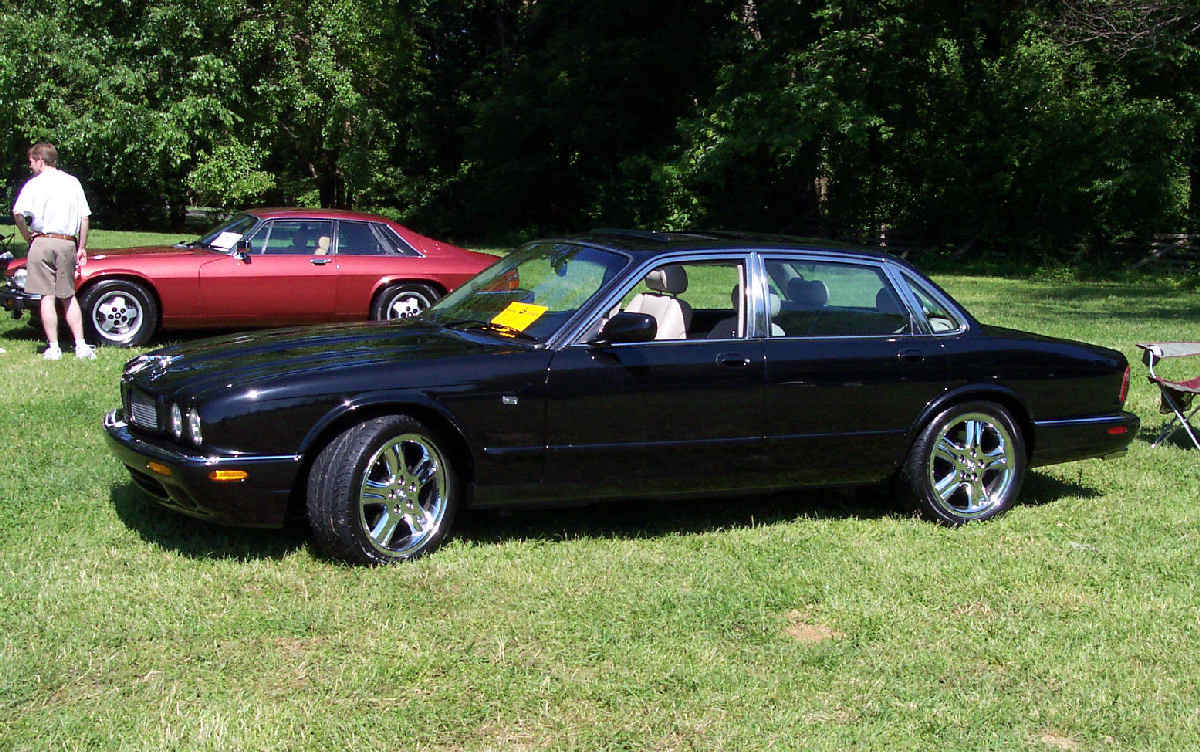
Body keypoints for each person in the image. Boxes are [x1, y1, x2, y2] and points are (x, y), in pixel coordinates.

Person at [11, 142, 95, 360]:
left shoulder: (34, 185)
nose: (30, 166)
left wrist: (26, 236)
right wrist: (82, 247)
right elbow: (84, 217)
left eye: (31, 161)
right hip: (67, 242)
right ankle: (80, 345)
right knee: (68, 296)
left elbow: (18, 213)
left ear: (40, 160)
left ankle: (54, 347)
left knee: (47, 297)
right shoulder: (72, 182)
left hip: (42, 241)